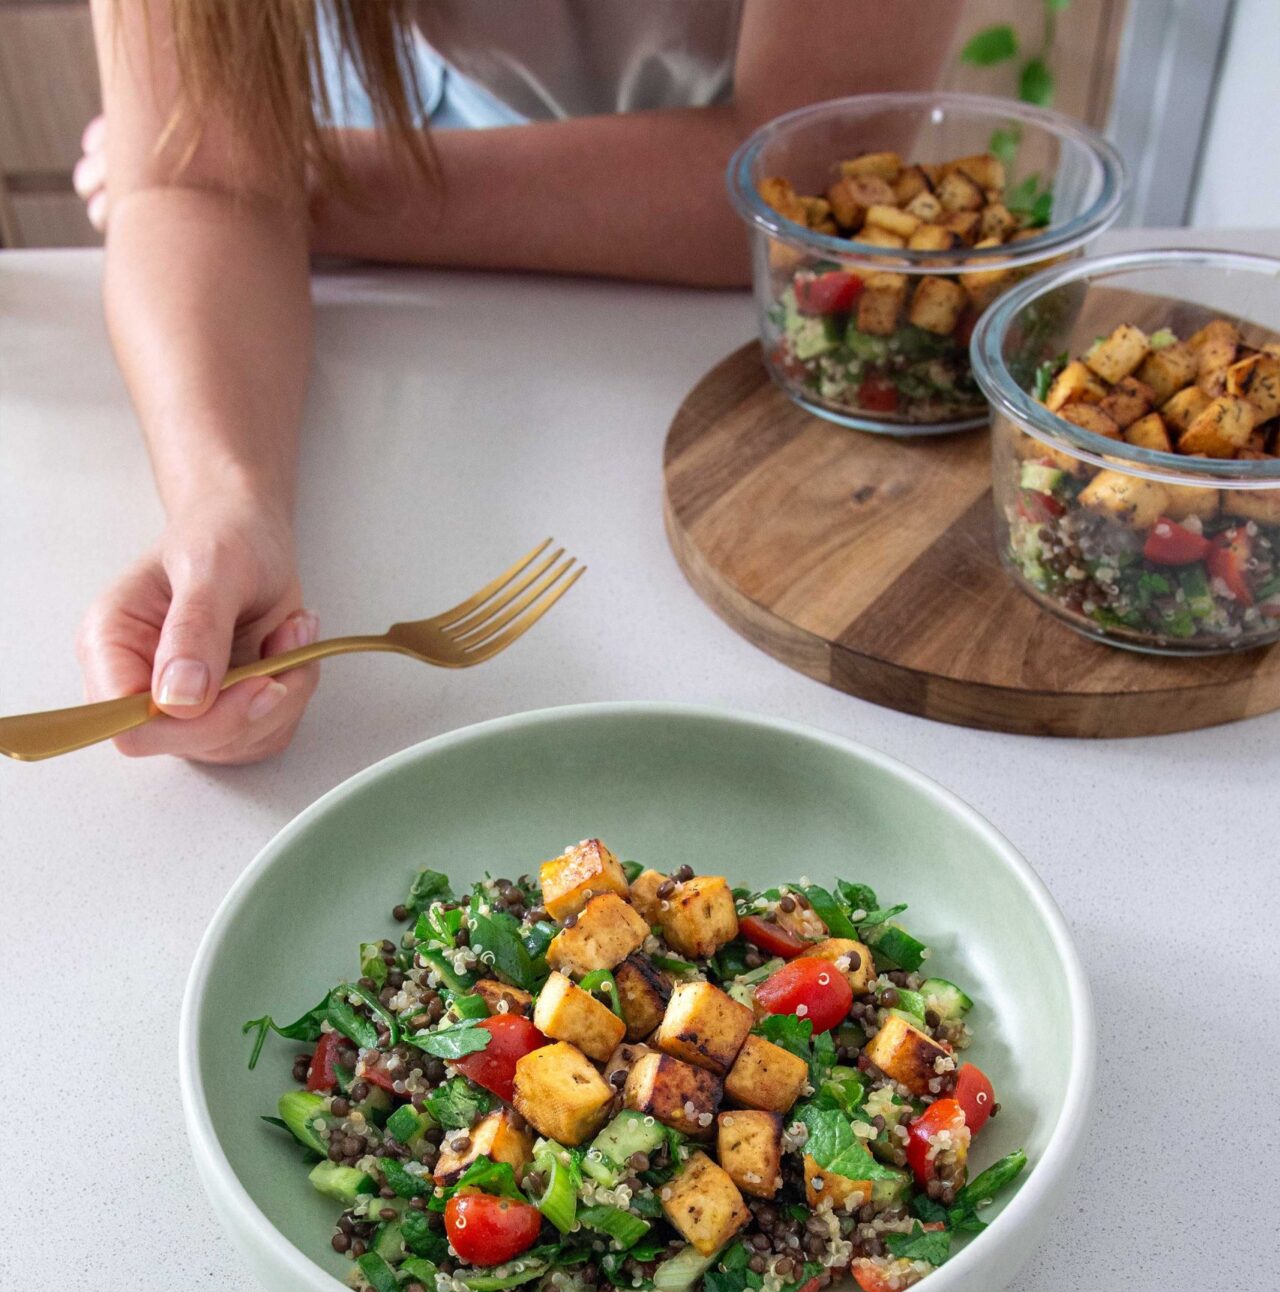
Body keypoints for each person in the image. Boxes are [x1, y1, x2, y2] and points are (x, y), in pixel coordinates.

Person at [74, 0, 959, 764]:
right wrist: (226, 505)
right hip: (373, 143)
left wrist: (303, 181)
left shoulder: (315, 174)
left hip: (402, 179)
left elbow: (799, 186)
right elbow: (198, 178)